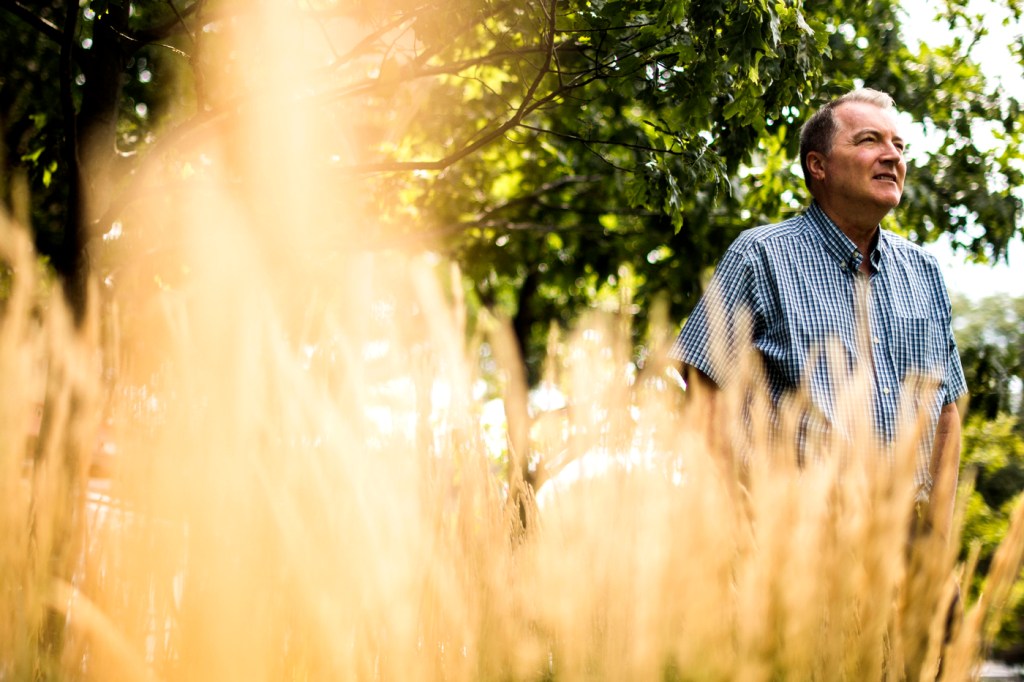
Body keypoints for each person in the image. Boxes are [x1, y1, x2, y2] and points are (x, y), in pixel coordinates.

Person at [670, 87, 967, 536]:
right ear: (818, 165)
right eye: (870, 141)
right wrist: (745, 518)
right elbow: (702, 385)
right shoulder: (760, 256)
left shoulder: (924, 270)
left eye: (899, 146)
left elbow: (946, 413)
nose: (892, 156)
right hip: (800, 538)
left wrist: (939, 545)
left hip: (910, 544)